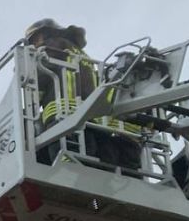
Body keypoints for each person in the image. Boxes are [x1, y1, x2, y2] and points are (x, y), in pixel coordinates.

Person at [25, 19, 142, 172]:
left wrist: (30, 104)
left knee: (62, 161)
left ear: (45, 33)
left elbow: (38, 78)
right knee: (91, 160)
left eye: (34, 39)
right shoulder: (81, 54)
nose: (33, 44)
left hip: (61, 117)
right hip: (89, 117)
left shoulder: (49, 47)